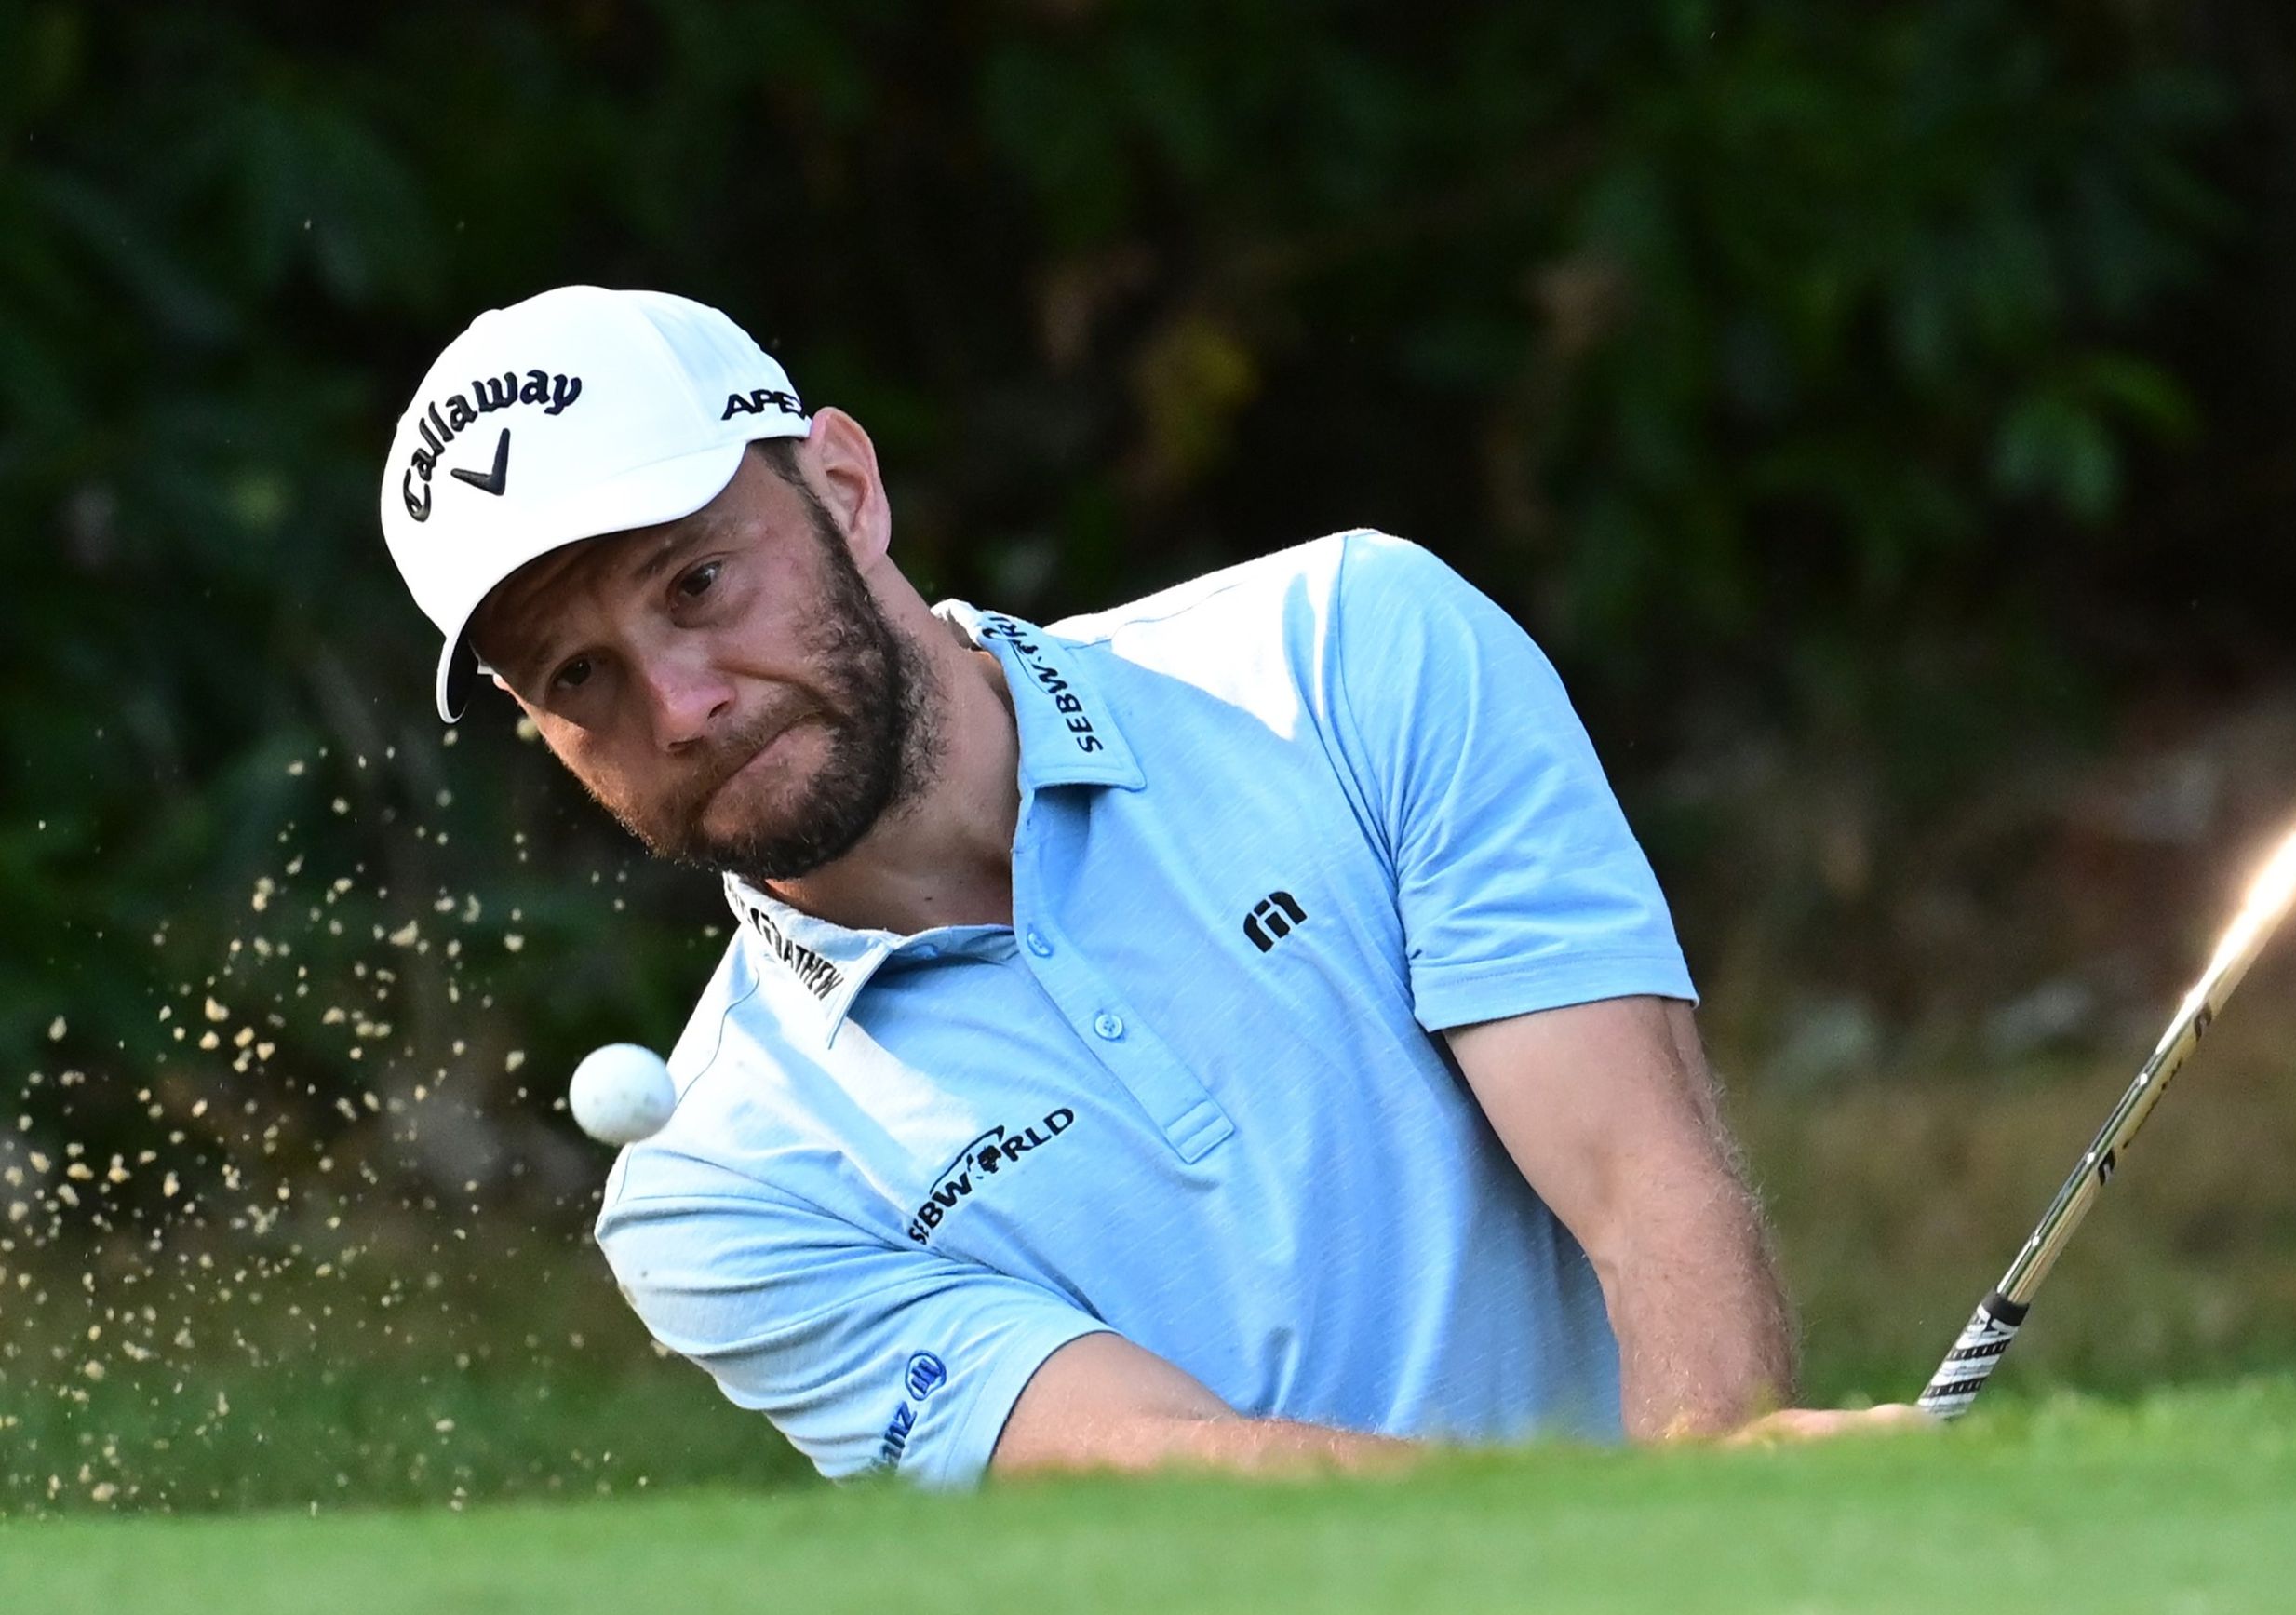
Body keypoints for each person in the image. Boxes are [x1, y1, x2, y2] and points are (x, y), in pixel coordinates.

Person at [377, 286, 1918, 1485]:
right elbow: (1174, 1472)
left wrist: (1720, 1490)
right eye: (582, 677)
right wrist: (1628, 1553)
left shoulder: (1345, 652)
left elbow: (1636, 1173)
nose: (683, 704)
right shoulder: (721, 1190)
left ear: (844, 486)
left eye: (699, 584)